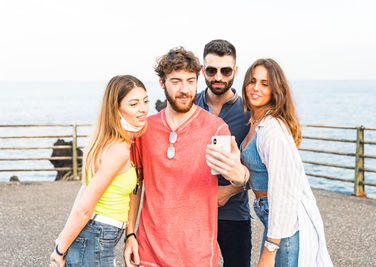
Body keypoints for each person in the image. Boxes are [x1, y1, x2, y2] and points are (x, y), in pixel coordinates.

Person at [123, 47, 249, 267]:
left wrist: (240, 175)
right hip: (149, 252)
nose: (184, 89)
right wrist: (130, 234)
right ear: (162, 83)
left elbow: (237, 177)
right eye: (176, 81)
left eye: (191, 81)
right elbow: (135, 184)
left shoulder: (216, 128)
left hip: (197, 255)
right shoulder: (145, 130)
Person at [240, 58, 333, 266]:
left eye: (265, 84)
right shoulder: (256, 122)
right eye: (252, 81)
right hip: (270, 215)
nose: (255, 88)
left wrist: (270, 250)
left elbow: (283, 192)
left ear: (276, 90)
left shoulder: (273, 129)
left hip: (285, 223)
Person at [49, 75, 149, 267]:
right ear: (116, 109)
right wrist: (60, 250)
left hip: (98, 236)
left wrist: (130, 234)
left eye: (145, 101)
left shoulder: (105, 141)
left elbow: (83, 190)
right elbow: (84, 208)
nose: (143, 109)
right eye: (133, 104)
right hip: (96, 237)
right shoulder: (118, 150)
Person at [195, 39, 252, 267]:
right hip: (194, 212)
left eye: (225, 70)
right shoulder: (189, 106)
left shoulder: (249, 112)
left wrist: (228, 191)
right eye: (211, 70)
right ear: (203, 71)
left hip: (234, 213)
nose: (218, 76)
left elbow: (260, 167)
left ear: (235, 71)